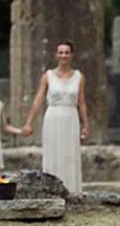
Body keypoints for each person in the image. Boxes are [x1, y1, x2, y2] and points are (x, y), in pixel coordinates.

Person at [22, 41, 89, 193]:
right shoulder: (48, 76)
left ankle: (71, 191)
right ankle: (51, 191)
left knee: (70, 154)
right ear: (56, 55)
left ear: (71, 55)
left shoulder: (79, 77)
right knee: (53, 153)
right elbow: (38, 100)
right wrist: (29, 122)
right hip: (53, 117)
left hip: (71, 117)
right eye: (60, 52)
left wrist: (86, 125)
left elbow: (82, 102)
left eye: (66, 52)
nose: (63, 55)